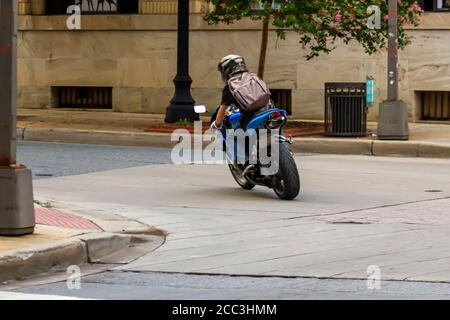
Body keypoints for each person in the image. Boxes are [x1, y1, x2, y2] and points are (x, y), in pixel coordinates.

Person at [211, 54, 269, 129]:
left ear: (227, 70)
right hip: (268, 110)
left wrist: (216, 124)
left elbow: (222, 110)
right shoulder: (253, 77)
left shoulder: (231, 85)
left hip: (250, 116)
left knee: (235, 136)